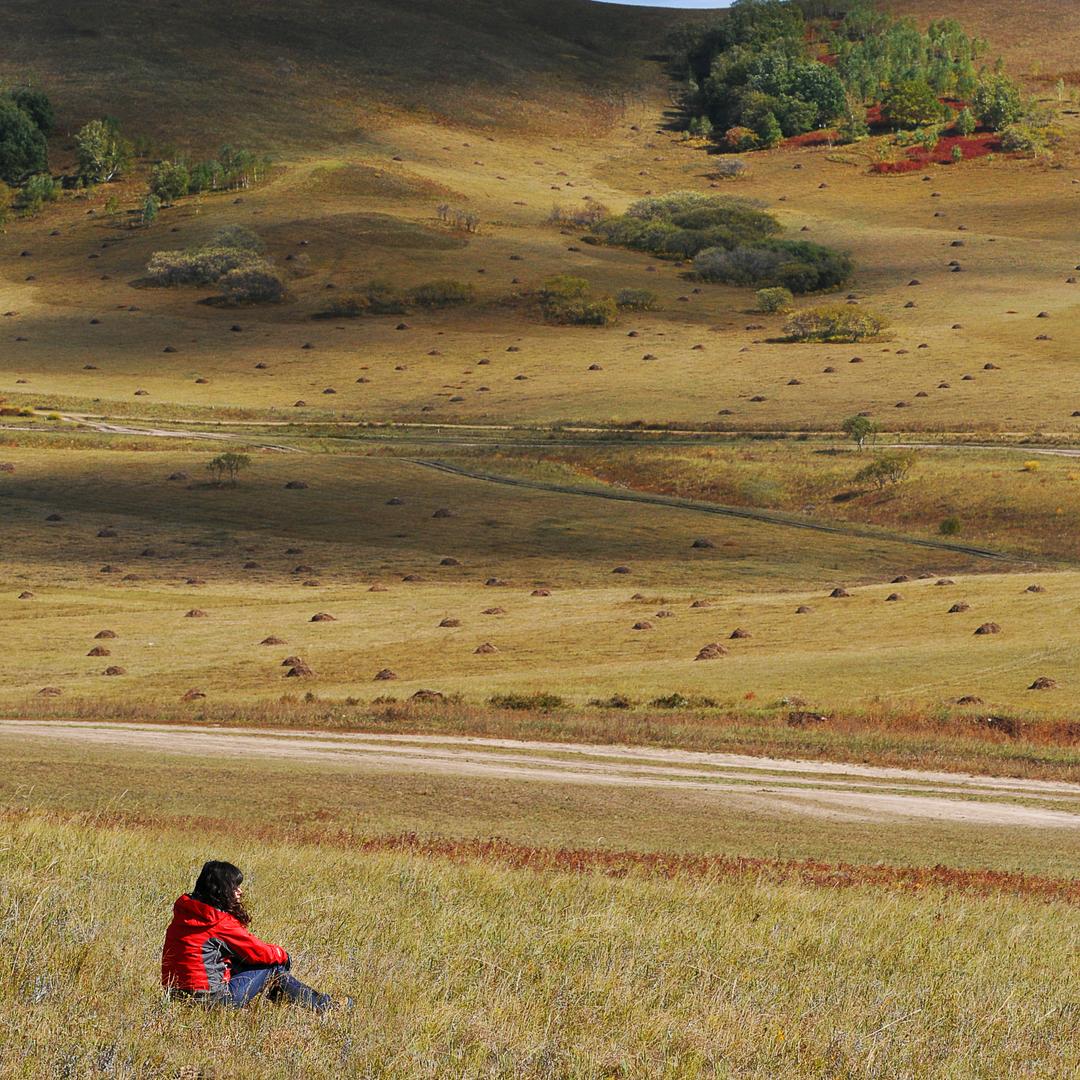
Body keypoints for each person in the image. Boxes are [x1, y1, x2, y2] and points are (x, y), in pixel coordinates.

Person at [162, 860, 335, 1012]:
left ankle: (290, 1001)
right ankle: (324, 1006)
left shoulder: (184, 916)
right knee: (273, 968)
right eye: (234, 887)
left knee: (237, 960)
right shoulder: (218, 922)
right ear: (220, 891)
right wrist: (283, 955)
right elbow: (258, 952)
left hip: (176, 997)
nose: (240, 891)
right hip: (213, 1002)